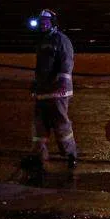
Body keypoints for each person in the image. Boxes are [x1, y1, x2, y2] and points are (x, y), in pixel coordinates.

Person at [30, 9, 78, 169]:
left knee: (61, 124)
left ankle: (71, 154)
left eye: (46, 22)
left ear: (53, 23)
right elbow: (40, 67)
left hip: (57, 91)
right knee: (40, 126)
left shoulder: (61, 40)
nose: (42, 24)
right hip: (43, 91)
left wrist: (62, 83)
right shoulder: (42, 41)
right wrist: (35, 84)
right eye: (41, 22)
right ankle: (38, 156)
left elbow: (67, 62)